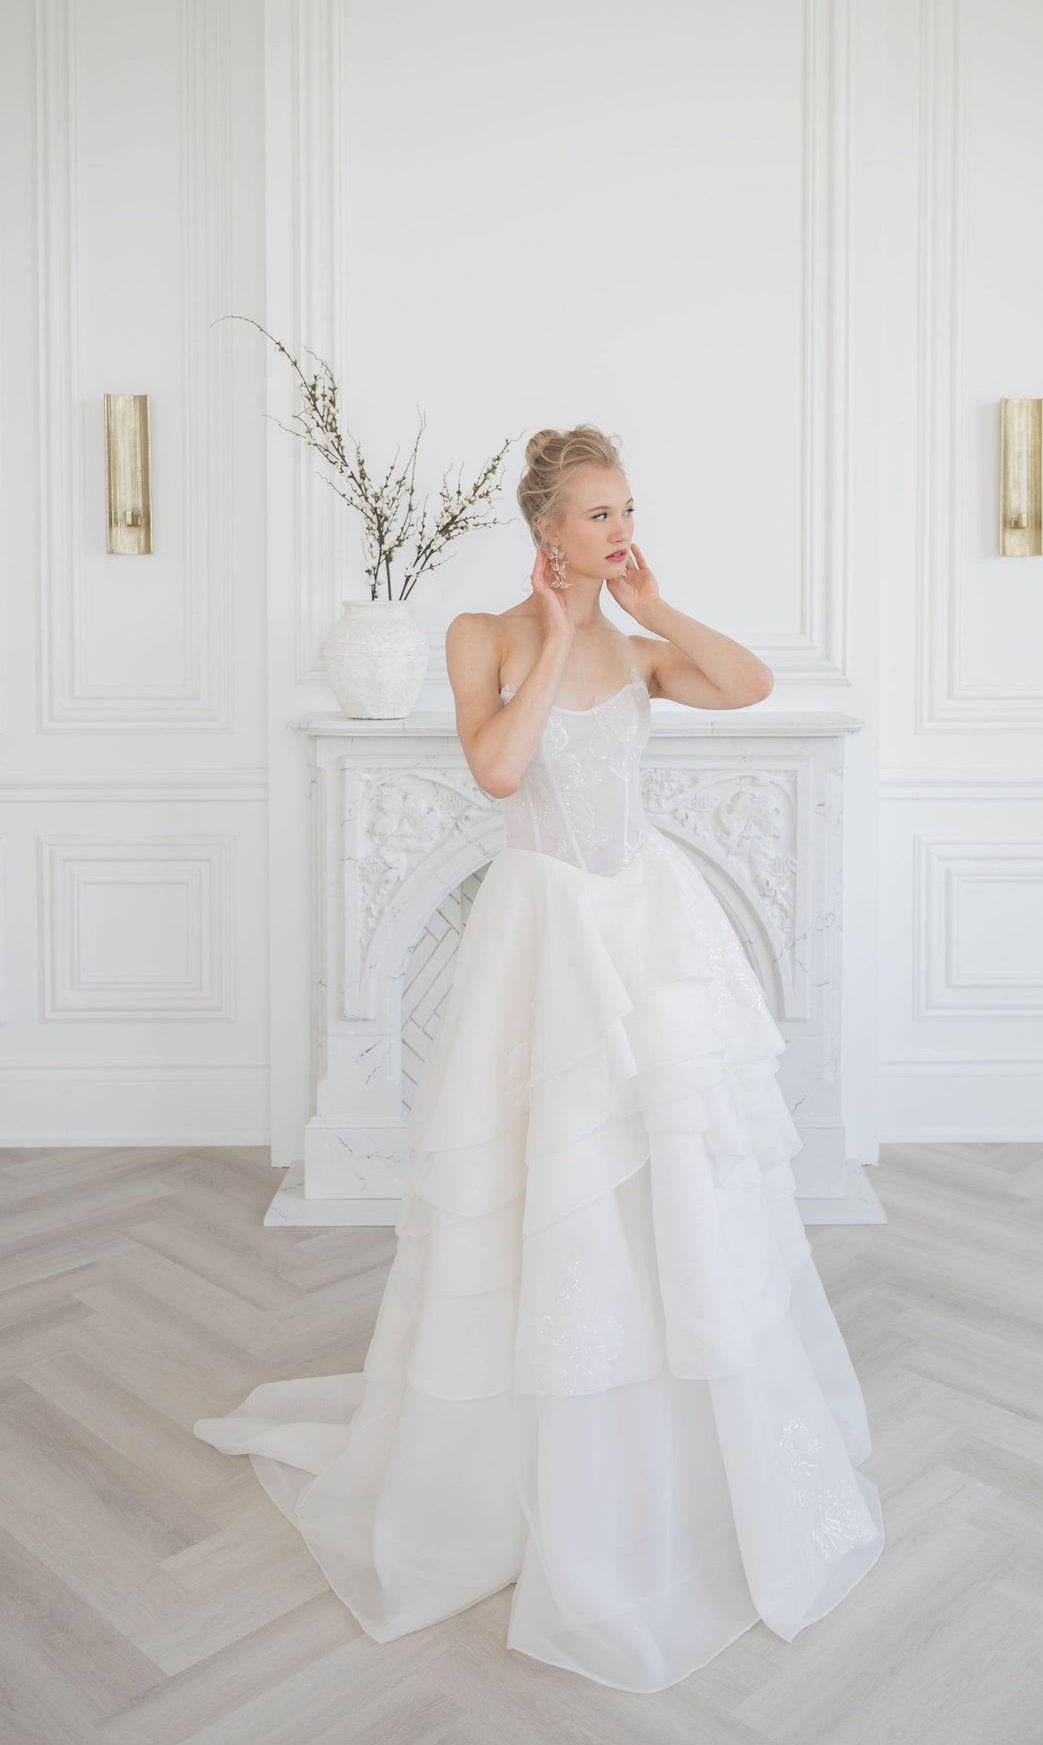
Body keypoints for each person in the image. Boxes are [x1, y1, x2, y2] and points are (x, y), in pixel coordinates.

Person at [193, 424, 885, 1693]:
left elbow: (749, 688)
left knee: (665, 1178)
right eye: (599, 516)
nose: (620, 529)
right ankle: (528, 1476)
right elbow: (501, 772)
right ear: (545, 531)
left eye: (628, 509)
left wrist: (649, 604)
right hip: (548, 933)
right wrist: (559, 636)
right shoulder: (485, 636)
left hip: (647, 930)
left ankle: (667, 1456)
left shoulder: (643, 642)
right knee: (547, 1183)